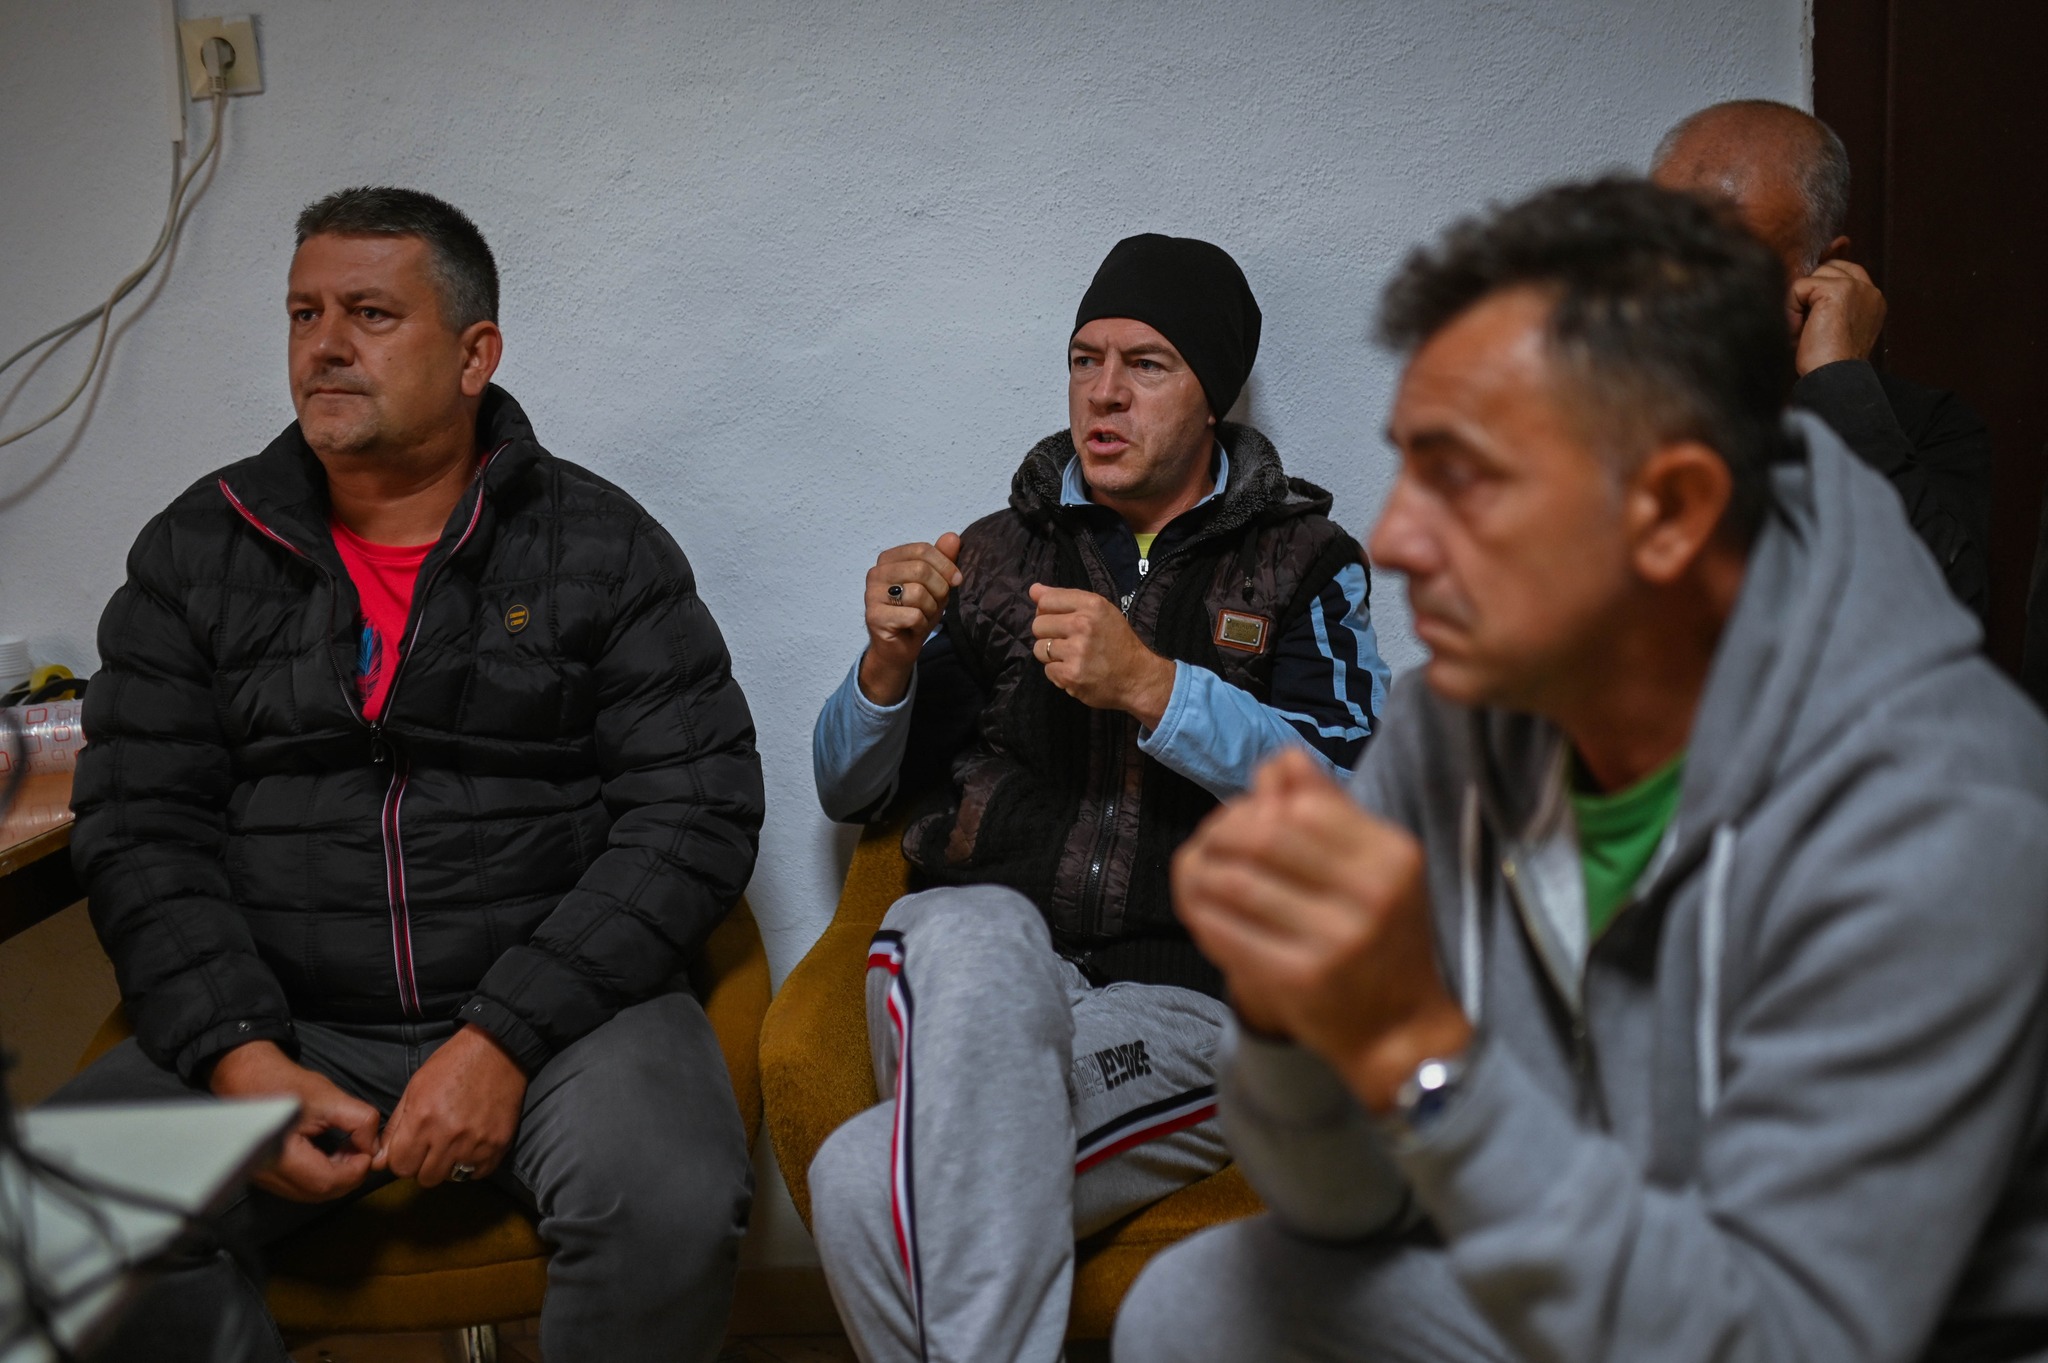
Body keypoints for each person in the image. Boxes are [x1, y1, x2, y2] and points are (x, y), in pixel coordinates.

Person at [1115, 179, 2048, 1363]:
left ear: (1667, 512)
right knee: (1207, 1305)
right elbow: (1343, 1208)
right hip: (1588, 1283)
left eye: (1464, 477)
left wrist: (1418, 1051)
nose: (1394, 538)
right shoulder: (1446, 728)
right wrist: (1293, 1017)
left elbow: (1780, 1339)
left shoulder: (1941, 811)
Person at [48, 187, 763, 1363]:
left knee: (667, 1199)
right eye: (304, 314)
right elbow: (137, 829)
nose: (325, 345)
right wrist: (240, 1053)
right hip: (291, 1016)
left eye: (371, 314)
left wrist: (503, 1036)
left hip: (566, 1013)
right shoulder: (195, 552)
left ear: (475, 355)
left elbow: (694, 811)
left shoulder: (599, 544)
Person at [806, 233, 1392, 1362]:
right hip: (963, 970)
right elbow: (847, 788)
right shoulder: (993, 554)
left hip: (1189, 1005)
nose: (1103, 393)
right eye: (1085, 359)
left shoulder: (1305, 563)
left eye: (1146, 364)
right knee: (974, 928)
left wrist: (1158, 690)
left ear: (1213, 393)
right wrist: (883, 663)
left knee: (858, 1181)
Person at [1652, 98, 1994, 617]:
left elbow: (1939, 613)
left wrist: (1838, 379)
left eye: (1730, 271)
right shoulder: (1597, 405)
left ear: (1826, 267)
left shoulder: (1922, 427)